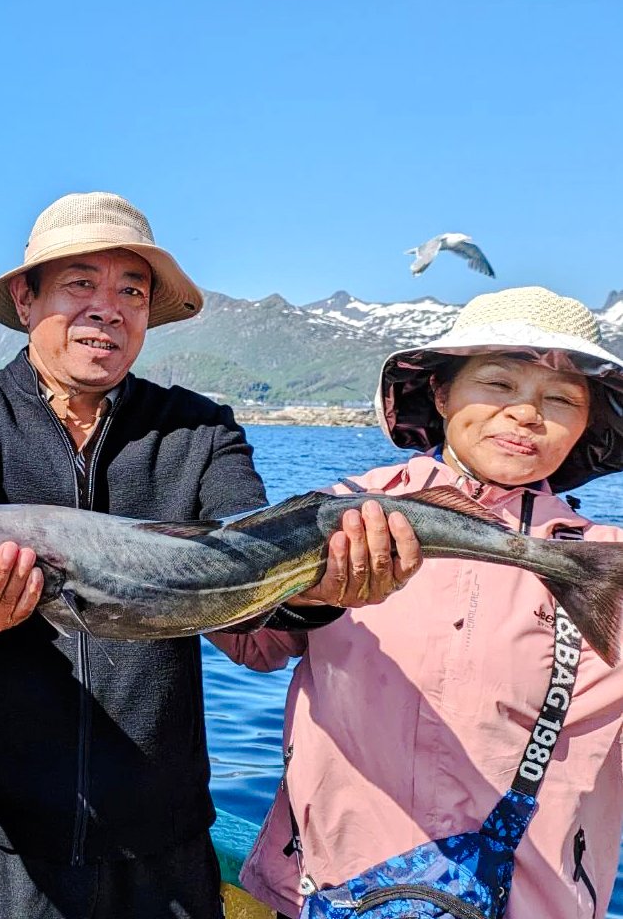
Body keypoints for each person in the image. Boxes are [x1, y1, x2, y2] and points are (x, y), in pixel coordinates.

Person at [0, 191, 420, 919]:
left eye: (130, 291)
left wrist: (322, 589)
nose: (107, 308)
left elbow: (250, 563)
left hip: (160, 838)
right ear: (24, 297)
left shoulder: (199, 430)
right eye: (80, 283)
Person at [216, 286, 623, 919]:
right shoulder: (342, 510)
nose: (525, 414)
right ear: (440, 393)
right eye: (498, 385)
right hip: (323, 890)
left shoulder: (609, 561)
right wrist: (308, 599)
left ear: (586, 424)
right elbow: (250, 641)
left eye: (561, 399)